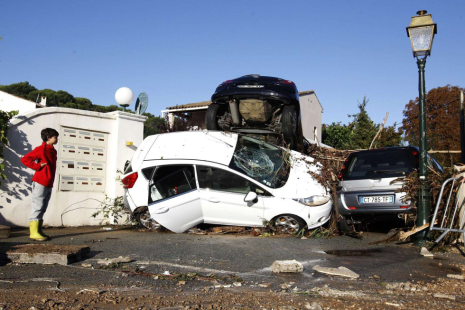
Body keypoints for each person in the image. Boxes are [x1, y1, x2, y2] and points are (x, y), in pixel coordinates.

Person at [21, 128, 59, 241]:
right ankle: (33, 233)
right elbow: (25, 159)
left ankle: (38, 230)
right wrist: (38, 166)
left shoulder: (53, 150)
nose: (57, 139)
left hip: (48, 182)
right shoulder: (41, 149)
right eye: (55, 137)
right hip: (40, 181)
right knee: (37, 206)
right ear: (48, 138)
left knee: (43, 207)